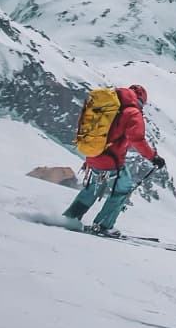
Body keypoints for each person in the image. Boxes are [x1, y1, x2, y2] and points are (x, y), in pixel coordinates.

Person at [63, 84, 165, 237]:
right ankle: (104, 225)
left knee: (92, 189)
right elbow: (137, 139)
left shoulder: (108, 108)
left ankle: (71, 217)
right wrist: (153, 157)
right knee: (123, 189)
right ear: (141, 100)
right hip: (111, 162)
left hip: (93, 156)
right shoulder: (132, 113)